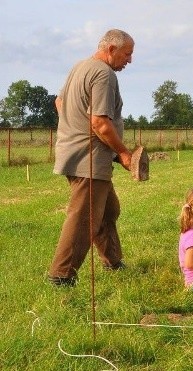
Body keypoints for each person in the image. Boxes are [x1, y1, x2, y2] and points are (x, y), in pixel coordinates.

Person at [48, 29, 135, 286]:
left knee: (108, 211)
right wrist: (123, 153)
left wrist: (73, 125)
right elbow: (100, 123)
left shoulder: (80, 66)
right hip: (89, 158)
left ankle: (113, 261)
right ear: (111, 49)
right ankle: (61, 275)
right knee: (84, 218)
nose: (129, 60)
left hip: (74, 153)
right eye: (127, 54)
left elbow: (59, 102)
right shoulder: (103, 74)